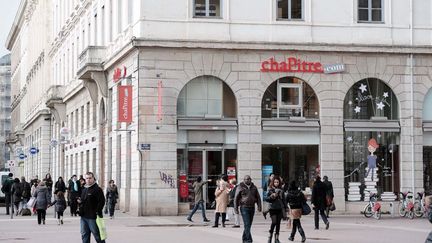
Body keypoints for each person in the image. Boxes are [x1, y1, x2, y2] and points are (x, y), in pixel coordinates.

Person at [77, 172, 106, 243]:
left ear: (93, 178)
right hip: (83, 217)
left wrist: (96, 212)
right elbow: (83, 201)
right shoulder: (84, 189)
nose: (88, 180)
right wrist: (80, 202)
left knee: (97, 235)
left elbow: (102, 202)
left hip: (93, 217)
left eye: (90, 178)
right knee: (84, 235)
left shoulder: (97, 189)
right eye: (87, 178)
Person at [234, 175, 262, 243]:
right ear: (244, 180)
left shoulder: (254, 187)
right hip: (244, 207)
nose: (247, 180)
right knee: (247, 224)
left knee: (248, 225)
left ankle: (244, 238)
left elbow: (258, 197)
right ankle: (248, 240)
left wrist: (259, 206)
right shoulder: (240, 187)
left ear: (251, 180)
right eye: (246, 179)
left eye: (249, 179)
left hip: (252, 207)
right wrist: (236, 209)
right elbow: (236, 198)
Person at [266, 176, 287, 243]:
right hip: (272, 209)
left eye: (277, 182)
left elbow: (284, 200)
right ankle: (270, 236)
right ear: (273, 182)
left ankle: (277, 238)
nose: (276, 183)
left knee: (278, 223)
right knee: (274, 222)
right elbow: (266, 198)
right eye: (275, 182)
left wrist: (286, 208)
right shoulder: (270, 189)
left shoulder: (281, 190)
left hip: (279, 208)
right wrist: (272, 196)